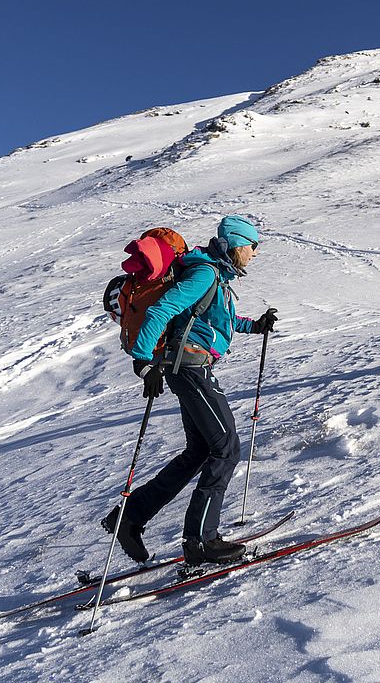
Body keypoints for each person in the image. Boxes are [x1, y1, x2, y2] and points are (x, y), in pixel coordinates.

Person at [103, 215, 278, 565]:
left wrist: (254, 326)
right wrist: (143, 361)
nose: (254, 254)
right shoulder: (205, 273)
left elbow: (211, 321)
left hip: (191, 366)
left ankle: (130, 518)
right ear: (232, 244)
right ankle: (201, 540)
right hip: (190, 368)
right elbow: (161, 309)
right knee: (226, 448)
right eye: (251, 246)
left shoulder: (214, 274)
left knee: (200, 451)